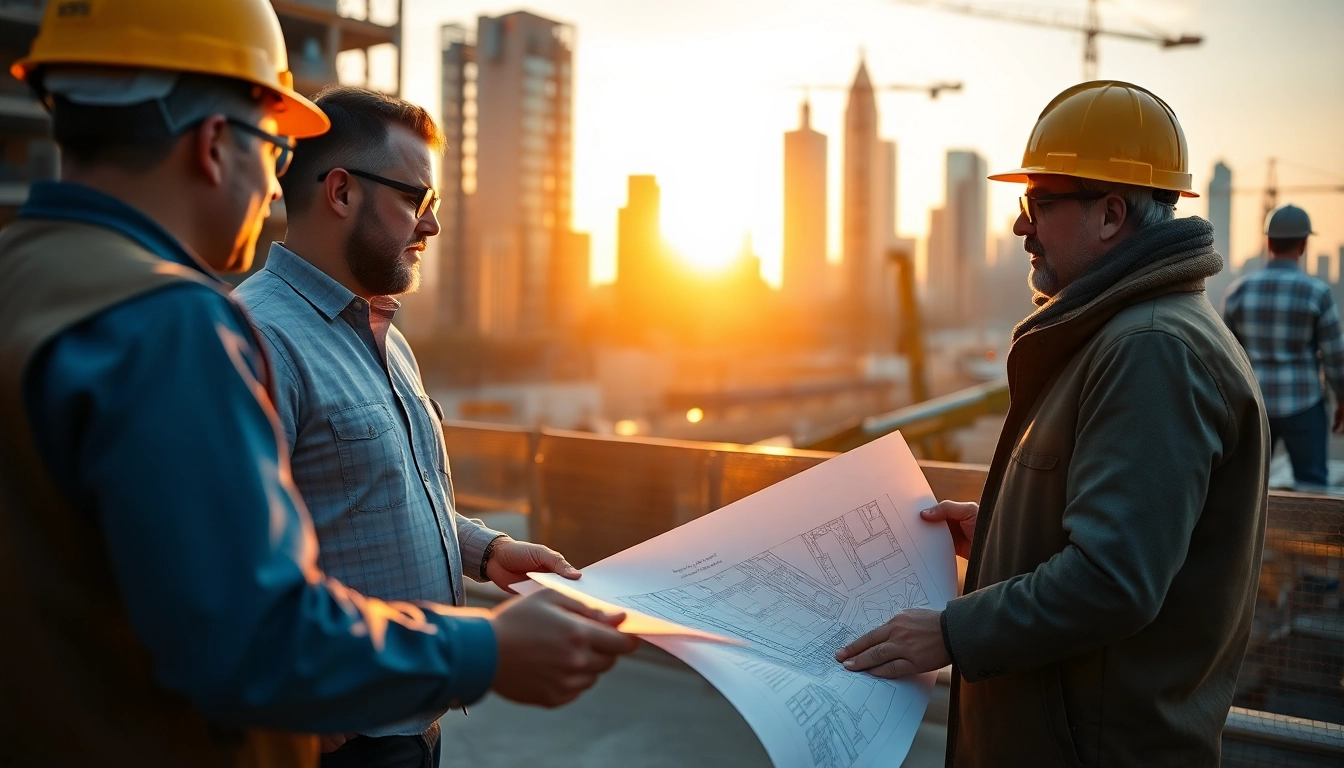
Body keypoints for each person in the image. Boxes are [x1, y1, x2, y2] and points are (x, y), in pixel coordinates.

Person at [0, 2, 635, 765]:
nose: (274, 191)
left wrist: (481, 549)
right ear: (213, 144)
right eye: (272, 151)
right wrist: (487, 649)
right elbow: (251, 634)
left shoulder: (25, 281)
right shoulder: (174, 326)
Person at [834, 81, 1268, 766]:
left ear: (1110, 214)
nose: (1021, 226)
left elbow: (1112, 580)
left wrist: (951, 633)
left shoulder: (1150, 349)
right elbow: (1130, 536)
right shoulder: (1124, 334)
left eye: (1040, 203)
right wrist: (1008, 532)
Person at [234, 85, 588, 767]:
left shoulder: (386, 334)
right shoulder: (255, 340)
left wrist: (488, 552)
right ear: (341, 192)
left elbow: (375, 492)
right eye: (417, 201)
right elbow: (235, 563)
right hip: (340, 742)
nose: (432, 228)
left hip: (414, 727)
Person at [1224, 204, 1344, 490]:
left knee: (1246, 488)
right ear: (1303, 245)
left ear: (1268, 242)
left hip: (1253, 404)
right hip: (1303, 404)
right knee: (1312, 487)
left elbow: (1226, 357)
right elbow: (1335, 356)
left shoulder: (1238, 292)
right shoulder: (1317, 293)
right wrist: (1342, 398)